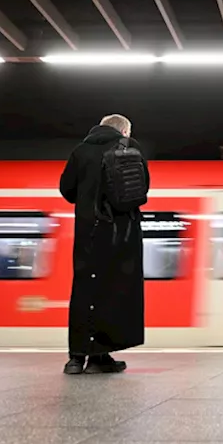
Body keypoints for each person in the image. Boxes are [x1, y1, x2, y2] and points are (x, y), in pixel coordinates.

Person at [58, 114, 147, 374]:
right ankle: (100, 356)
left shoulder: (80, 150)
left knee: (84, 291)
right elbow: (141, 189)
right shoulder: (130, 147)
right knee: (113, 292)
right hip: (120, 234)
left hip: (87, 233)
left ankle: (76, 358)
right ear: (123, 130)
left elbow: (67, 190)